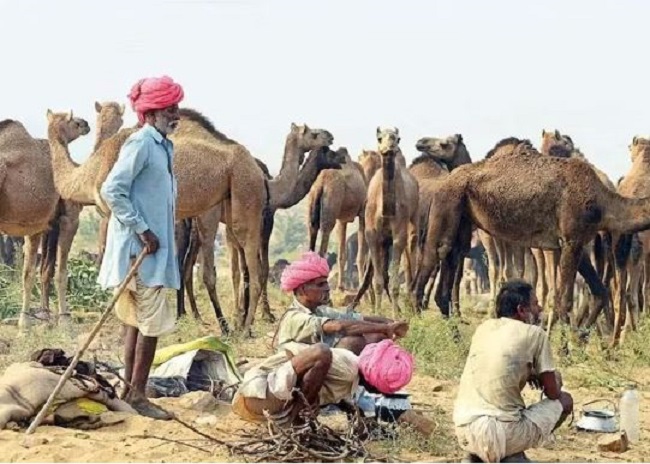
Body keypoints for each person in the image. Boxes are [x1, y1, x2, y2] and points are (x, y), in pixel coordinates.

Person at [97, 75, 184, 420]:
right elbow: (111, 190)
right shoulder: (142, 144)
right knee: (150, 324)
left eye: (175, 107)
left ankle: (130, 392)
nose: (175, 113)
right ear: (149, 114)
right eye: (168, 108)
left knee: (135, 322)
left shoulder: (161, 145)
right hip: (142, 253)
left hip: (144, 252)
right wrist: (144, 230)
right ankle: (139, 395)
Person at [453, 279, 573, 463]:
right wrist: (554, 378)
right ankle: (513, 453)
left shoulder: (483, 328)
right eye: (535, 303)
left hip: (465, 430)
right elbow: (553, 392)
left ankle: (478, 456)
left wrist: (531, 373)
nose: (539, 308)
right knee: (565, 400)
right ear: (521, 310)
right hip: (501, 435)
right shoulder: (535, 334)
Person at [273, 251, 410, 355]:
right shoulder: (295, 317)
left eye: (326, 283)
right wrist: (385, 328)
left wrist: (391, 323)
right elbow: (339, 326)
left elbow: (356, 318)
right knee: (353, 342)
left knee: (377, 337)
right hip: (296, 371)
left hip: (320, 364)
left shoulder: (320, 311)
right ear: (303, 289)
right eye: (320, 285)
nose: (327, 288)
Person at [232, 342, 360, 425]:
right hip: (262, 391)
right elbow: (317, 351)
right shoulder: (347, 369)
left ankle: (296, 424)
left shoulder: (346, 369)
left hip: (264, 400)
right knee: (321, 352)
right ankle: (295, 425)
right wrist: (307, 404)